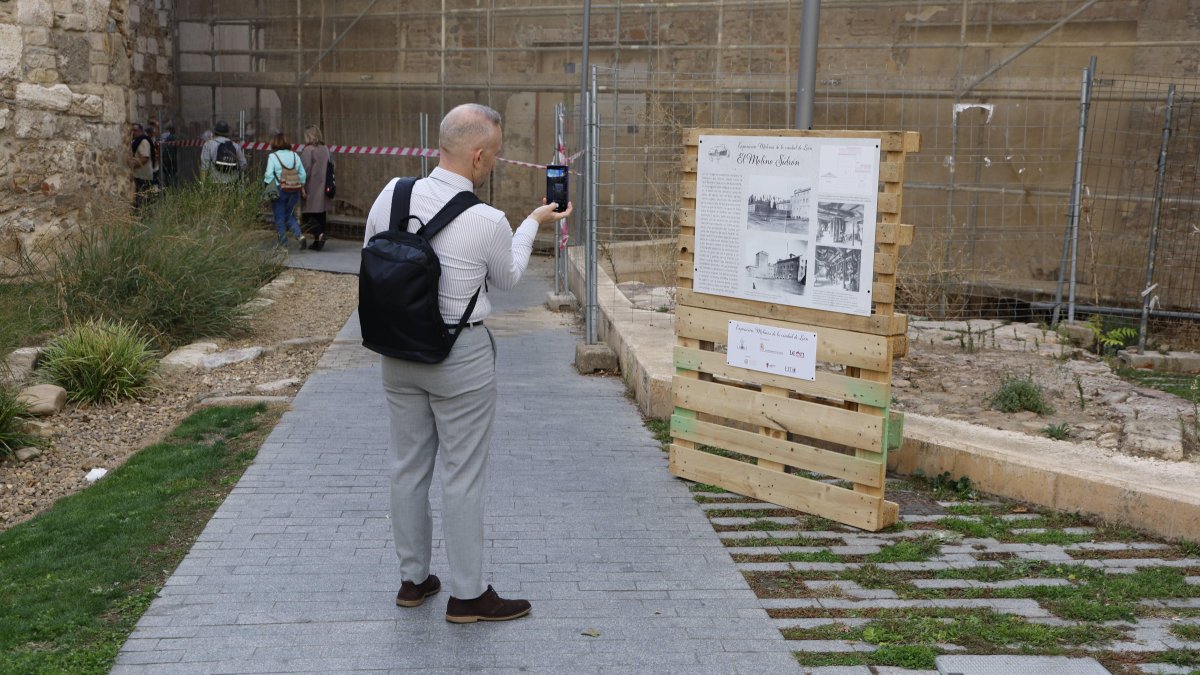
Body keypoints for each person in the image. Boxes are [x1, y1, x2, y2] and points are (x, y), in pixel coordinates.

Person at [362, 103, 572, 623]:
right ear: (478, 156)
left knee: (407, 467)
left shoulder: (392, 193)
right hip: (460, 357)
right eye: (495, 156)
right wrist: (530, 223)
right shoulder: (485, 219)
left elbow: (371, 251)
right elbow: (509, 277)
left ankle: (414, 582)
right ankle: (469, 595)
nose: (495, 164)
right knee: (463, 475)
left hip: (395, 350)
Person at [263, 132, 307, 248]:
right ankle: (299, 236)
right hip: (294, 189)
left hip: (279, 189)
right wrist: (300, 184)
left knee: (279, 217)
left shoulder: (273, 156)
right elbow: (302, 174)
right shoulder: (295, 155)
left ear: (274, 143)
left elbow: (268, 175)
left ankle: (283, 243)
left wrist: (268, 186)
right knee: (290, 214)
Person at [300, 124, 331, 251]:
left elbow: (305, 169)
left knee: (308, 216)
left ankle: (319, 234)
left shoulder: (308, 150)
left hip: (311, 186)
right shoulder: (325, 149)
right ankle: (318, 242)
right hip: (324, 186)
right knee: (321, 214)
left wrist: (301, 184)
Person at [128, 122, 154, 209]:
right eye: (132, 130)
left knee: (142, 199)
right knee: (139, 198)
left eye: (135, 130)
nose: (133, 132)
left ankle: (143, 217)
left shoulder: (144, 141)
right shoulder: (136, 141)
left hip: (143, 176)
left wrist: (132, 166)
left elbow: (145, 158)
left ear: (140, 131)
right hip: (139, 175)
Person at [160, 121, 179, 188]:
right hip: (172, 162)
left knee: (169, 180)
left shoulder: (170, 137)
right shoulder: (172, 137)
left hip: (169, 162)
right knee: (172, 180)